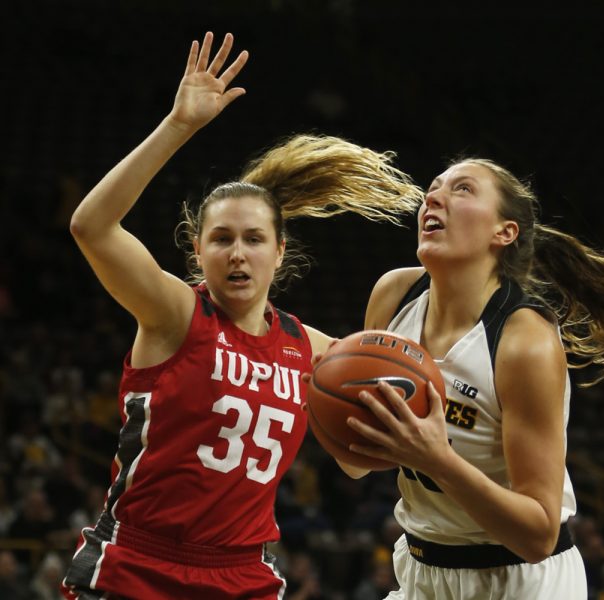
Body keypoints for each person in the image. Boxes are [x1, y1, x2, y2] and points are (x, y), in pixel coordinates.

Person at [61, 32, 421, 599]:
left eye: (254, 239)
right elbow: (91, 227)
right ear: (197, 250)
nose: (237, 252)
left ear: (279, 252)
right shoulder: (175, 313)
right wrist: (177, 127)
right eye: (221, 238)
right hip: (138, 565)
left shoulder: (313, 350)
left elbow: (359, 460)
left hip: (242, 576)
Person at [326, 157, 604, 598]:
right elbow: (355, 463)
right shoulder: (394, 294)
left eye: (462, 189)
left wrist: (437, 459)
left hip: (517, 580)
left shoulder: (523, 342)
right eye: (434, 187)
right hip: (423, 571)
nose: (433, 196)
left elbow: (537, 535)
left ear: (504, 232)